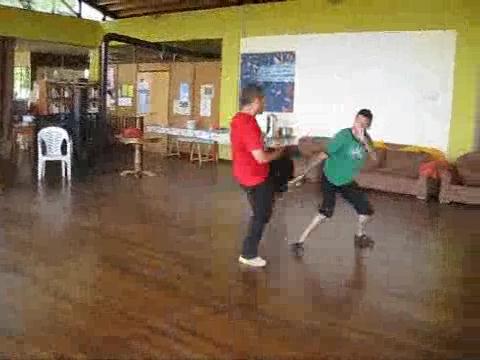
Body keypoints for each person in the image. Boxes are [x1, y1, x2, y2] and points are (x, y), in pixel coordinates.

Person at [291, 109, 377, 251]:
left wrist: (365, 143)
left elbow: (374, 158)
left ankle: (360, 235)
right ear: (354, 119)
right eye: (358, 121)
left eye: (364, 124)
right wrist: (304, 172)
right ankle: (300, 242)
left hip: (346, 181)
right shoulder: (343, 136)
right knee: (325, 212)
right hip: (330, 177)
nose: (359, 126)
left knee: (366, 211)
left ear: (368, 125)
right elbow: (323, 155)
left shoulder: (367, 140)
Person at [230, 85, 285, 267]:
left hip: (244, 174)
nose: (264, 104)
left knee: (262, 211)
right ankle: (248, 253)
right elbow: (261, 158)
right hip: (254, 177)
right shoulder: (248, 124)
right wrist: (278, 152)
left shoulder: (238, 119)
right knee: (261, 215)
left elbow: (253, 146)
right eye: (263, 101)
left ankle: (277, 191)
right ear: (255, 102)